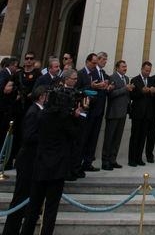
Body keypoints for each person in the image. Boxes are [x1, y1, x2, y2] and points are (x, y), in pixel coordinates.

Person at [19, 74, 85, 235]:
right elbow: (76, 135)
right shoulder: (63, 119)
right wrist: (77, 116)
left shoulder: (42, 115)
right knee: (50, 210)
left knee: (33, 208)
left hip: (41, 165)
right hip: (57, 168)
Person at [1, 86, 46, 235]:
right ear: (41, 97)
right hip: (27, 161)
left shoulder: (38, 111)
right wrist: (47, 138)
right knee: (20, 197)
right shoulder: (34, 112)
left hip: (32, 161)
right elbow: (28, 136)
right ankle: (10, 230)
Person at [101, 59, 133, 170]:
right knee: (109, 138)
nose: (125, 68)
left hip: (123, 112)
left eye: (126, 66)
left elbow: (127, 94)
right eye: (123, 66)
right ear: (117, 68)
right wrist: (125, 89)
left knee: (117, 138)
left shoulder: (127, 78)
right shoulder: (112, 78)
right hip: (113, 112)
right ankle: (105, 161)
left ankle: (113, 159)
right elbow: (111, 94)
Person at [128, 61, 154, 167]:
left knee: (143, 137)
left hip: (147, 113)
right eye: (146, 70)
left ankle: (139, 157)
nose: (147, 72)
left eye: (149, 71)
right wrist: (142, 91)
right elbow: (132, 95)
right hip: (137, 113)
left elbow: (153, 95)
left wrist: (152, 91)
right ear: (142, 69)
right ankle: (132, 159)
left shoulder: (151, 80)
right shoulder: (135, 80)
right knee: (135, 136)